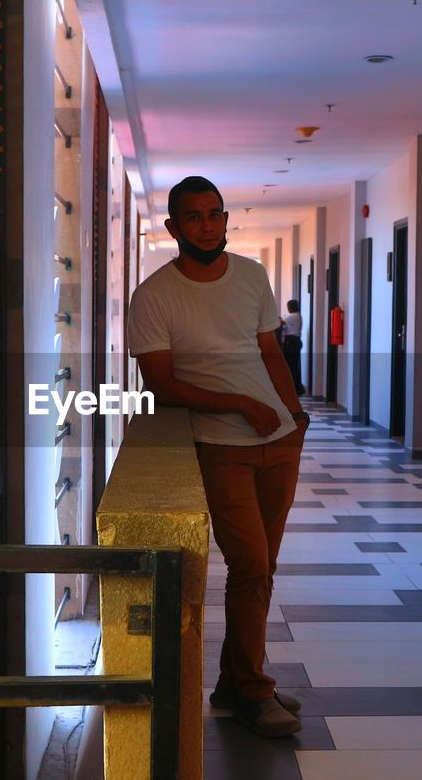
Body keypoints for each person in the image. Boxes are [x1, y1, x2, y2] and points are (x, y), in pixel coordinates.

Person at [127, 175, 309, 738]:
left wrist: (293, 413)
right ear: (174, 227)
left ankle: (235, 682)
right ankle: (254, 690)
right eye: (195, 217)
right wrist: (236, 403)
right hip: (219, 444)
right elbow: (160, 383)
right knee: (249, 564)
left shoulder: (252, 276)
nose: (208, 225)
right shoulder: (154, 296)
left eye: (215, 214)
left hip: (277, 440)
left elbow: (269, 351)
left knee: (262, 569)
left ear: (225, 219)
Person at [281, 299, 304, 395]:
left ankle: (292, 388)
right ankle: (297, 387)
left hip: (291, 342)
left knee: (290, 365)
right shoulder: (298, 316)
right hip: (296, 341)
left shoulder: (292, 317)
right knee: (295, 365)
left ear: (290, 307)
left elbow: (280, 323)